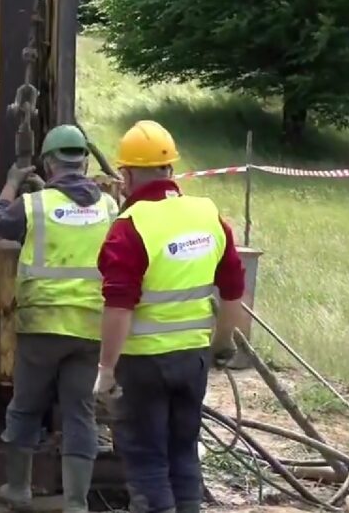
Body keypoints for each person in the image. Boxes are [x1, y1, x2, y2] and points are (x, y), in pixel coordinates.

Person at [92, 120, 247, 513]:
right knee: (183, 454)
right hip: (192, 360)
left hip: (143, 365)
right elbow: (232, 290)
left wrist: (106, 369)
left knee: (147, 460)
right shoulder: (208, 215)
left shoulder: (130, 228)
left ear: (125, 175)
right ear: (170, 170)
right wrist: (222, 343)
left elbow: (119, 306)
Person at [0, 125, 120, 513]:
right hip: (91, 328)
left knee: (26, 407)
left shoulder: (35, 205)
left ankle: (18, 488)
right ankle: (77, 503)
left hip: (42, 326)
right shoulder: (109, 208)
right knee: (79, 413)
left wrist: (12, 183)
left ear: (48, 162)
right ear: (85, 161)